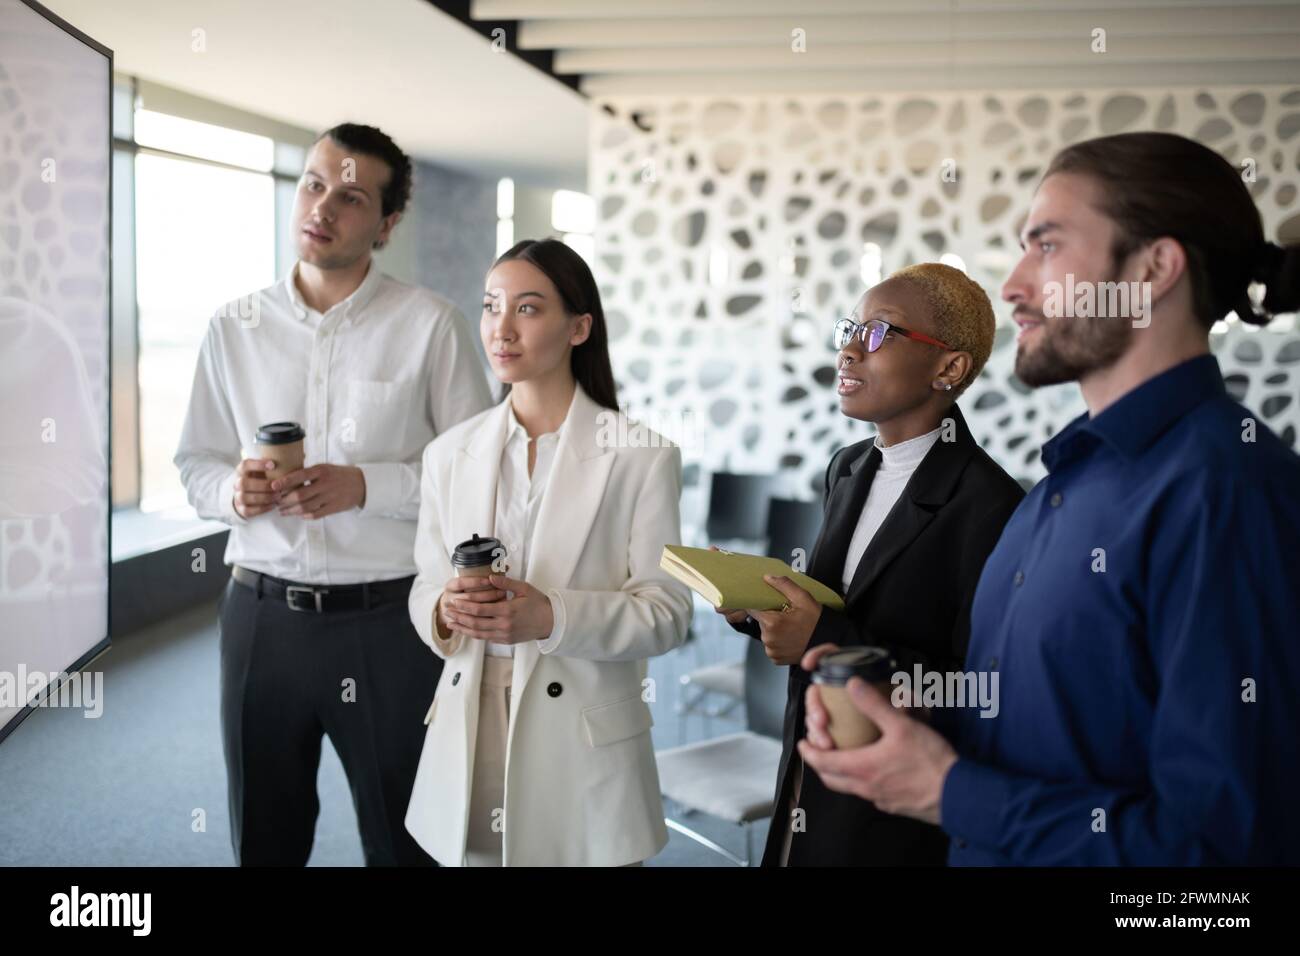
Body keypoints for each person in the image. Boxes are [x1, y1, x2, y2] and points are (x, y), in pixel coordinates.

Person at [799, 131, 1300, 865]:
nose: (1012, 285)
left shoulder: (1229, 492)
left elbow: (1225, 859)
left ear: (1154, 267)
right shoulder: (1061, 486)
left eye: (1048, 246)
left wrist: (949, 792)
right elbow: (1050, 716)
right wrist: (911, 707)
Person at [175, 123, 493, 865]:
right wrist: (234, 492)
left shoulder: (431, 327)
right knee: (265, 839)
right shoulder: (233, 327)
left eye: (349, 196)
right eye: (313, 185)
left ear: (385, 224)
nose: (321, 207)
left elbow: (476, 482)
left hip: (389, 625)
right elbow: (195, 461)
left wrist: (365, 486)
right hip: (260, 619)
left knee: (404, 840)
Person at [716, 262, 1024, 865]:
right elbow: (838, 604)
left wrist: (822, 636)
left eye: (880, 332)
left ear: (949, 367)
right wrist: (759, 605)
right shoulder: (849, 466)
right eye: (849, 328)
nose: (851, 350)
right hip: (808, 758)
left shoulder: (993, 506)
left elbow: (979, 692)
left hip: (889, 808)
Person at [404, 238, 693, 866]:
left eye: (528, 309)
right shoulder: (448, 454)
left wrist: (551, 617)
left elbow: (668, 612)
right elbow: (425, 585)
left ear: (579, 326)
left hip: (585, 739)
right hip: (472, 721)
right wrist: (444, 611)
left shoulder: (642, 456)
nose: (500, 328)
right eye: (490, 306)